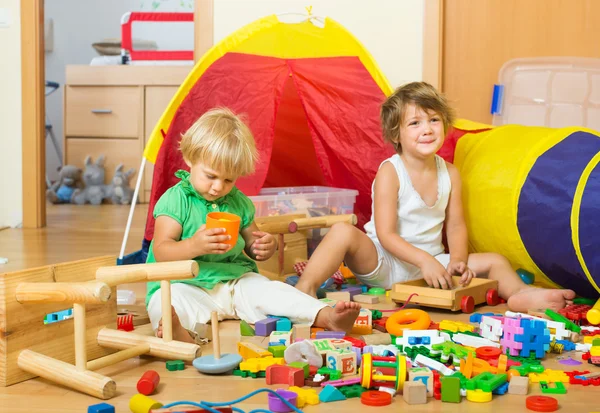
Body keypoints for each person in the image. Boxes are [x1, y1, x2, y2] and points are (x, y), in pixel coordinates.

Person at [295, 82, 575, 312]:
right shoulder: (391, 172)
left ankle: (519, 293)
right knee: (342, 232)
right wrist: (423, 261)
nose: (427, 129)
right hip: (384, 260)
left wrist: (458, 261)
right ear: (397, 134)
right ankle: (304, 288)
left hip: (432, 263)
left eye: (434, 120)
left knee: (495, 261)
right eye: (415, 123)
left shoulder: (450, 173)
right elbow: (387, 234)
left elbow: (455, 225)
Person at [145, 107, 360, 343]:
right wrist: (194, 246)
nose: (218, 187)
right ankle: (177, 333)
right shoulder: (176, 199)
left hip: (234, 281)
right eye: (210, 176)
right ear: (190, 159)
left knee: (271, 290)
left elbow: (251, 241)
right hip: (186, 284)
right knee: (166, 302)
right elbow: (162, 251)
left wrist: (262, 246)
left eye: (228, 180)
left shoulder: (239, 202)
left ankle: (326, 315)